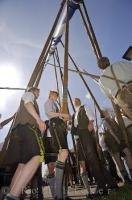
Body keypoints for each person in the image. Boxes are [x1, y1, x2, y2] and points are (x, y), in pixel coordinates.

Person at [2, 87, 46, 200]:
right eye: (38, 92)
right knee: (38, 157)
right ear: (34, 91)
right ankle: (13, 196)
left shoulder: (25, 100)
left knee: (22, 164)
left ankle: (11, 193)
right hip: (28, 129)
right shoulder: (29, 95)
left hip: (18, 132)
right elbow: (28, 104)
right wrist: (39, 120)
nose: (38, 94)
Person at [72, 98, 117, 198]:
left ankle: (104, 187)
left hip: (86, 135)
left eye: (76, 100)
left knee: (93, 160)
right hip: (80, 139)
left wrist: (88, 133)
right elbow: (74, 128)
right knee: (93, 161)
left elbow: (91, 120)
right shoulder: (74, 114)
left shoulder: (84, 107)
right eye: (74, 100)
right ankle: (108, 184)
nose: (75, 101)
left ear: (79, 101)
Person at [44, 90, 71, 200]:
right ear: (50, 95)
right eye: (55, 94)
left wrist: (66, 121)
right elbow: (50, 113)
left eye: (56, 95)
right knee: (52, 164)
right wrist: (62, 114)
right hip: (49, 139)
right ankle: (56, 194)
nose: (56, 96)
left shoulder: (56, 104)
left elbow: (58, 116)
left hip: (56, 130)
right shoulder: (49, 102)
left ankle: (60, 194)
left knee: (61, 157)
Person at [101, 109, 132, 181]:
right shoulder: (105, 122)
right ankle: (126, 179)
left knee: (128, 155)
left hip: (119, 141)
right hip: (113, 143)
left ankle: (130, 175)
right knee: (118, 161)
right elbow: (111, 131)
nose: (107, 112)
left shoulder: (112, 119)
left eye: (106, 111)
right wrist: (118, 141)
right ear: (103, 114)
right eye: (105, 112)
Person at [43, 120, 57, 198]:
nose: (49, 124)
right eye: (48, 123)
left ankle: (60, 192)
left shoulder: (55, 130)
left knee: (57, 169)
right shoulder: (44, 131)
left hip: (54, 146)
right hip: (47, 147)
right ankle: (54, 194)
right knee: (51, 171)